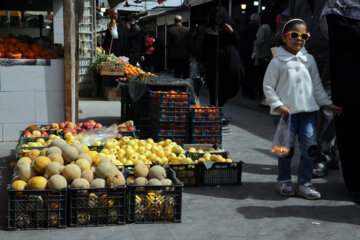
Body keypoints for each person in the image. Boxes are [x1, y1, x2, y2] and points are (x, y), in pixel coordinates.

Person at [263, 19, 342, 200]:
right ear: (284, 38)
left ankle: (304, 182)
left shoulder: (309, 59)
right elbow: (268, 86)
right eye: (294, 35)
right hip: (286, 116)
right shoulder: (277, 61)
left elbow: (316, 85)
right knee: (286, 150)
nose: (299, 39)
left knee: (310, 148)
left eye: (303, 35)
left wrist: (325, 103)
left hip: (307, 113)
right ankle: (283, 180)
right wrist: (277, 104)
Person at [282, 0, 339, 178]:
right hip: (306, 54)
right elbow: (286, 18)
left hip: (331, 52)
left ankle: (322, 156)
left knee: (326, 105)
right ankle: (329, 153)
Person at [321, 0, 360, 192]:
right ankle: (354, 184)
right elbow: (341, 35)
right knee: (351, 126)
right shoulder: (335, 6)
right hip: (349, 78)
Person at [200, 7, 243, 107]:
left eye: (221, 17)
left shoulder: (230, 27)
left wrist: (232, 32)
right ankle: (214, 109)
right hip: (213, 62)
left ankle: (219, 105)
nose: (218, 19)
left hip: (228, 62)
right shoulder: (210, 29)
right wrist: (202, 61)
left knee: (230, 84)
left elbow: (238, 41)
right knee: (213, 86)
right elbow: (205, 46)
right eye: (216, 17)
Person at [239, 13, 259, 99]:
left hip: (244, 53)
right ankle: (251, 92)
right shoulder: (257, 29)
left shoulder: (243, 29)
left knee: (246, 72)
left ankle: (245, 91)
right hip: (253, 54)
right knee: (252, 74)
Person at [253, 11, 273, 100]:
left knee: (260, 76)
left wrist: (254, 42)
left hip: (261, 54)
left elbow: (259, 41)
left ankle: (262, 96)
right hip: (267, 54)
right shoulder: (269, 27)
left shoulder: (262, 28)